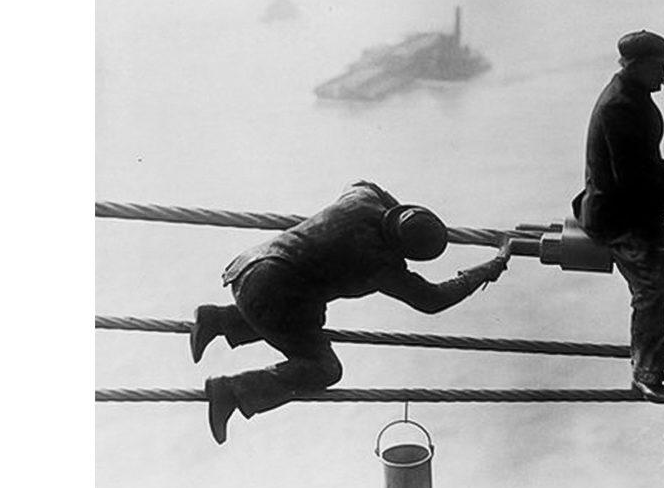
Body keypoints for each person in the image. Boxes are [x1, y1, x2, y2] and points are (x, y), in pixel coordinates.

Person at [190, 180, 511, 444]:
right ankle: (231, 390)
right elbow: (433, 299)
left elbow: (365, 182)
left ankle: (218, 320)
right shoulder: (381, 264)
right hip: (272, 297)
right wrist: (490, 267)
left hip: (246, 270)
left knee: (302, 319)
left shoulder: (364, 197)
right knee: (324, 368)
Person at [571, 30, 664, 402]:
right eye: (660, 67)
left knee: (657, 283)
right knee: (653, 289)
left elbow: (649, 163)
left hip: (625, 205)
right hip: (615, 216)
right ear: (637, 66)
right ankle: (645, 372)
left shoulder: (633, 97)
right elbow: (633, 185)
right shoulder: (619, 107)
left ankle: (652, 341)